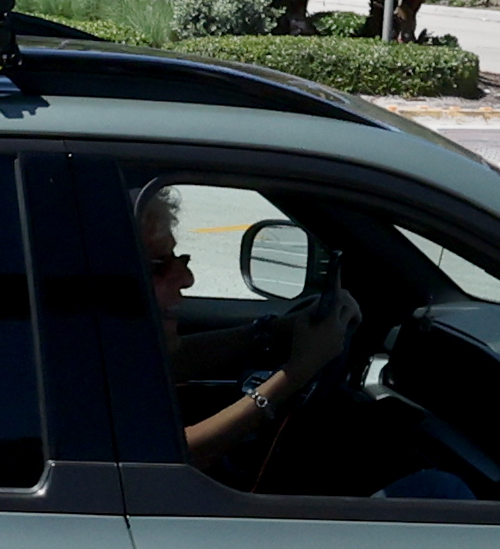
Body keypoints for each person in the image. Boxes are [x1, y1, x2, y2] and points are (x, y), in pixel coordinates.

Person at [138, 184, 361, 473]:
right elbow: (177, 458)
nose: (187, 278)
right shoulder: (76, 372)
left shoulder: (109, 348)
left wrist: (276, 330)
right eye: (158, 266)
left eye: (178, 260)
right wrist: (295, 374)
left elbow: (168, 363)